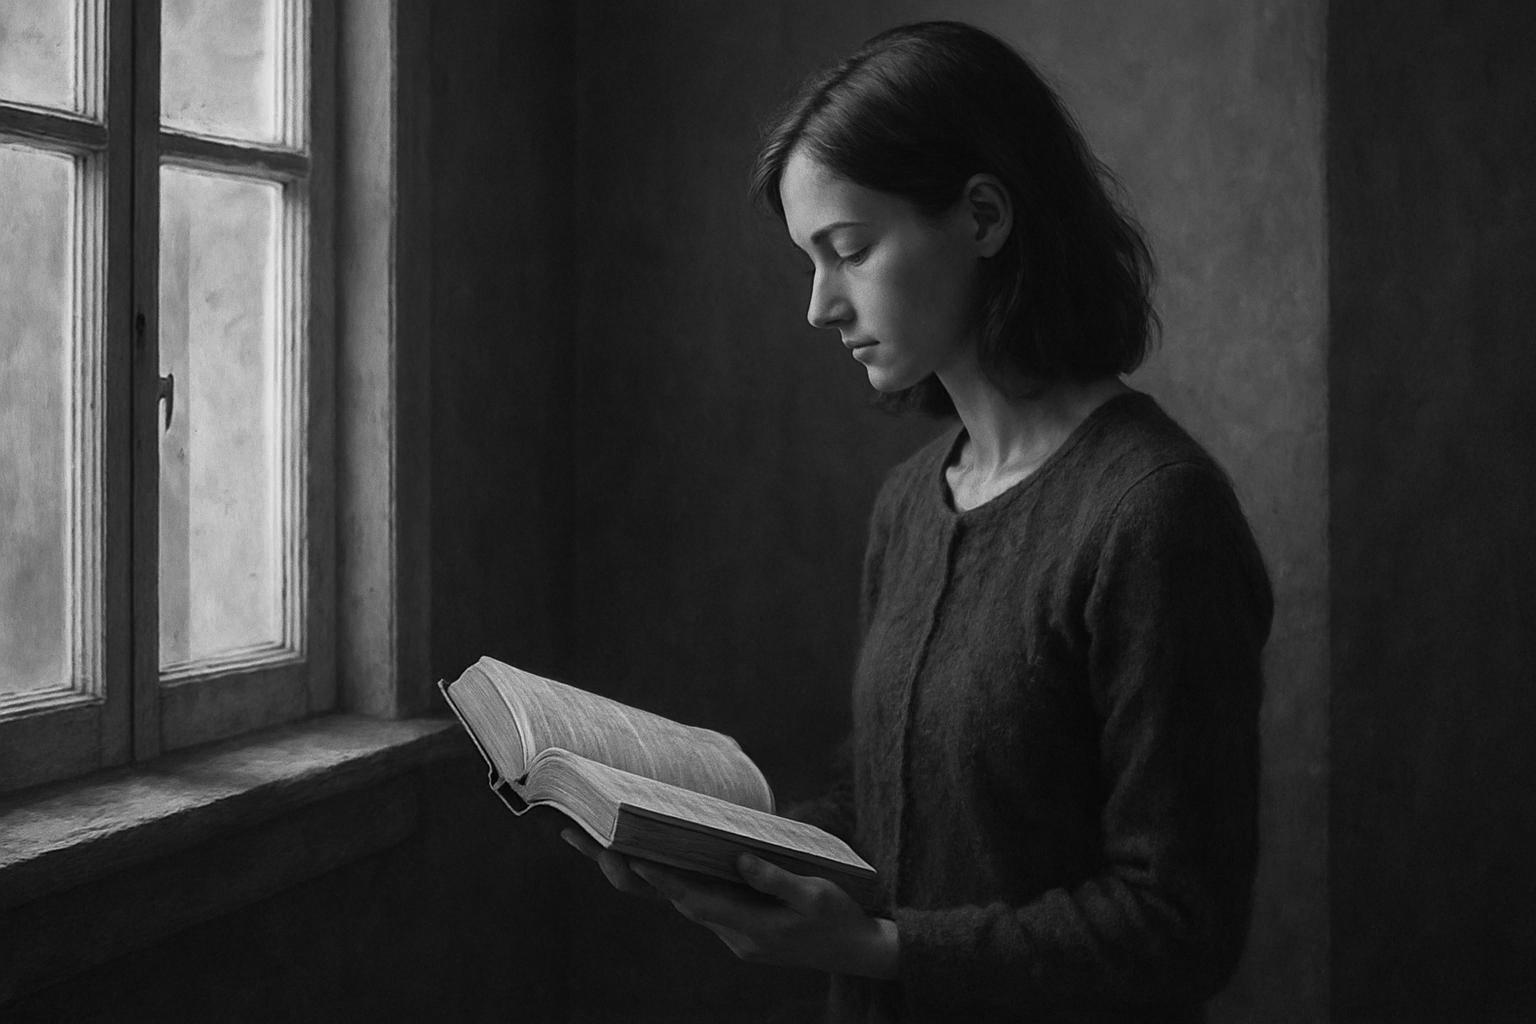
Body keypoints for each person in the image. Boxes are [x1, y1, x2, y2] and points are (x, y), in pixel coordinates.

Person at [564, 20, 1273, 1024]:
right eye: (810, 260)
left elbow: (1179, 921)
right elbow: (886, 808)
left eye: (847, 250)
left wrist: (879, 948)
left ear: (983, 215)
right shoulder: (911, 502)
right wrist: (700, 846)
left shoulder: (1154, 515)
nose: (818, 305)